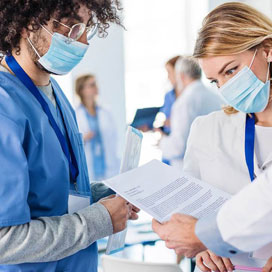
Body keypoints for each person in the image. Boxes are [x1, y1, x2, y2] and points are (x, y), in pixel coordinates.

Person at [0, 1, 139, 271]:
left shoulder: (55, 93)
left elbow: (57, 193)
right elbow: (4, 240)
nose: (83, 41)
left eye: (87, 28)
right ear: (29, 24)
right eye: (72, 26)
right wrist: (99, 220)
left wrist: (106, 193)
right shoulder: (5, 107)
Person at [153, 2, 272, 270]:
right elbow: (190, 209)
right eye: (216, 81)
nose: (226, 88)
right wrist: (203, 247)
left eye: (231, 70)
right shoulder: (207, 129)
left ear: (267, 50)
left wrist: (204, 233)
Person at [159, 56, 221, 168]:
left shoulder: (183, 102)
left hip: (188, 169)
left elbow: (178, 148)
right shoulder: (215, 96)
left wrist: (161, 142)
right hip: (214, 165)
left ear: (181, 76)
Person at [75, 74, 120, 181]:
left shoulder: (105, 111)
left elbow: (113, 137)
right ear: (81, 90)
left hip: (108, 166)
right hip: (89, 167)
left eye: (95, 84)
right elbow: (72, 141)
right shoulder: (75, 113)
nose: (96, 87)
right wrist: (84, 138)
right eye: (92, 85)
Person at [160, 55, 180, 136]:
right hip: (169, 137)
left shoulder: (189, 95)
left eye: (169, 72)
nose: (168, 77)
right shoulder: (168, 96)